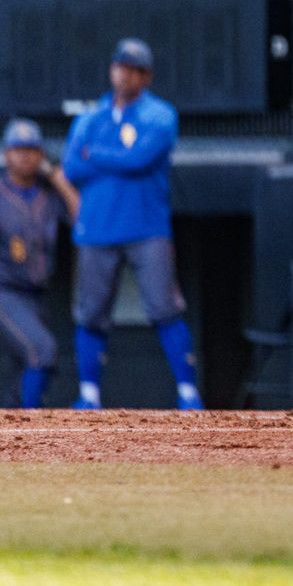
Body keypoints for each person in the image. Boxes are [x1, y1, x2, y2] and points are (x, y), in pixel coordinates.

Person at [62, 38, 202, 410]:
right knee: (91, 312)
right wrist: (115, 158)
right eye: (121, 66)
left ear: (147, 76)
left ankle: (188, 394)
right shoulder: (89, 117)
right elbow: (72, 167)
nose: (126, 74)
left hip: (146, 227)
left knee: (165, 307)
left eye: (135, 69)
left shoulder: (161, 115)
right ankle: (89, 395)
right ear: (112, 69)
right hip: (97, 227)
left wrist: (96, 154)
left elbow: (139, 159)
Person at [0, 118, 78, 408]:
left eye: (31, 149)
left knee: (30, 365)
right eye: (18, 149)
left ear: (41, 155)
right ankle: (29, 421)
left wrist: (59, 180)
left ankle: (12, 421)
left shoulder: (49, 194)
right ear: (6, 154)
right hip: (0, 291)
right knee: (42, 350)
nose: (25, 156)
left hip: (37, 293)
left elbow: (83, 222)